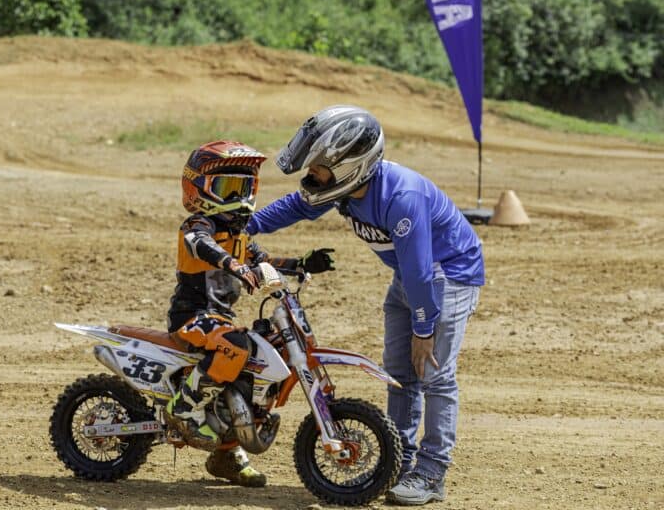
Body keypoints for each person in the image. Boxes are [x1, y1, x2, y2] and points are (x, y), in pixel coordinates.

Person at [245, 105, 484, 505]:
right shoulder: (344, 189)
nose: (311, 173)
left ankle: (431, 473)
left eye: (319, 166)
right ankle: (402, 461)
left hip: (447, 277)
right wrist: (242, 227)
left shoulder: (401, 198)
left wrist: (425, 330)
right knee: (399, 373)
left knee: (434, 375)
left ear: (350, 165)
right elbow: (296, 207)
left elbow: (423, 275)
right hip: (410, 277)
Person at [164, 140, 335, 488]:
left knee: (254, 370)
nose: (238, 196)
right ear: (199, 189)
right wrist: (235, 266)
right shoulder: (198, 226)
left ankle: (226, 453)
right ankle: (184, 408)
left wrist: (301, 264)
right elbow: (203, 246)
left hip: (220, 320)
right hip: (193, 316)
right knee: (237, 345)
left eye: (244, 188)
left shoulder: (239, 233)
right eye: (228, 188)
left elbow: (265, 261)